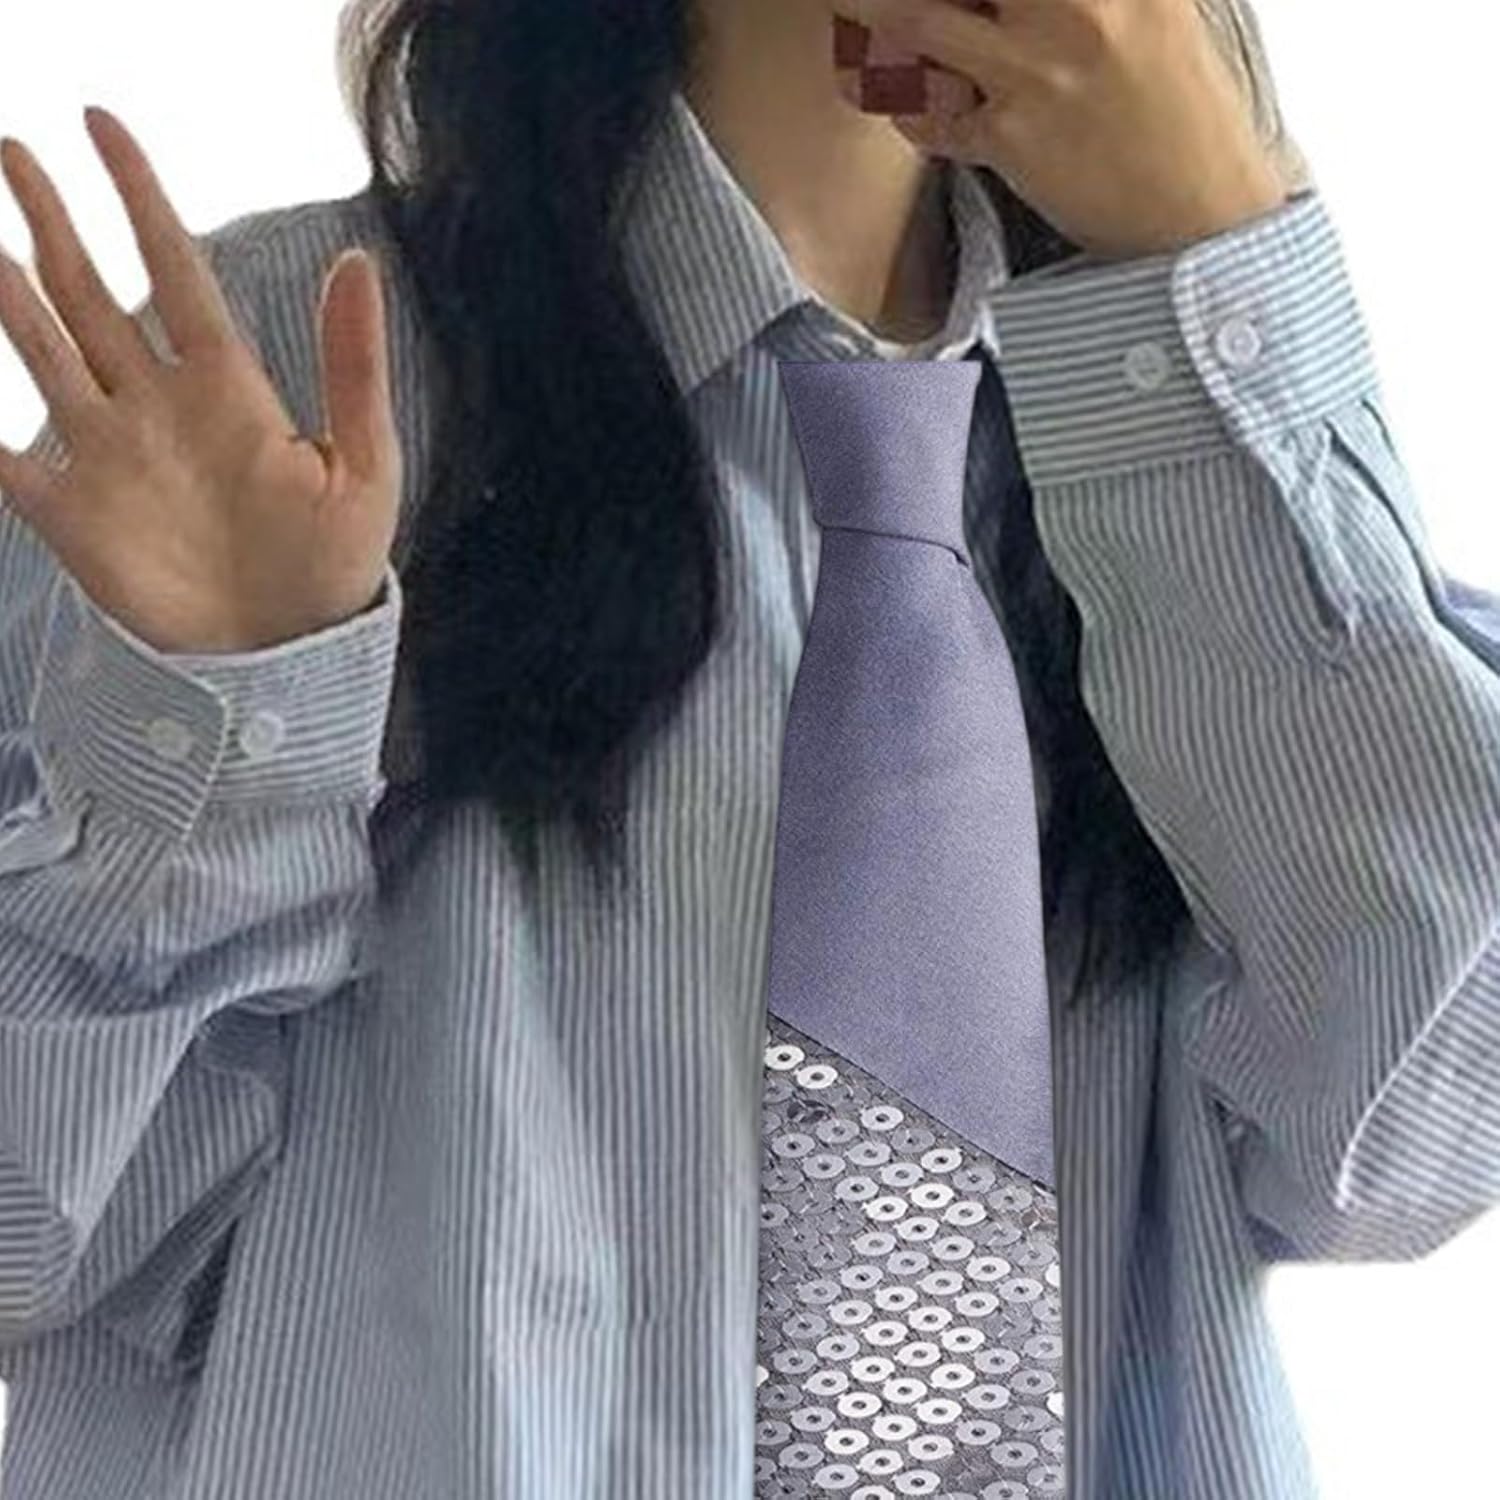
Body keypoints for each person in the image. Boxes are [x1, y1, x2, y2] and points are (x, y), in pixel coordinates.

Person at [0, 0, 1496, 1496]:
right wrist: (233, 727)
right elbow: (33, 1234)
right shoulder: (283, 383)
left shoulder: (1208, 432)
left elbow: (1407, 1142)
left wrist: (1209, 293)